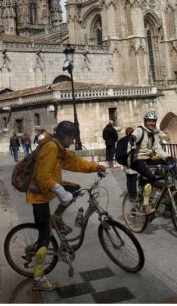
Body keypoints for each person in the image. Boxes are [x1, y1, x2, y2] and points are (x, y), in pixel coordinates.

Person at [27, 120, 106, 292]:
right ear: (64, 136)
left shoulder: (60, 149)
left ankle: (56, 218)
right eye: (71, 138)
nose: (72, 142)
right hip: (38, 196)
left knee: (76, 190)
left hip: (47, 190)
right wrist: (61, 192)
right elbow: (43, 177)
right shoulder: (51, 148)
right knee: (44, 237)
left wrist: (96, 166)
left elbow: (76, 162)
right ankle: (38, 277)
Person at [129, 111, 177, 214]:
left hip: (148, 158)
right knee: (150, 177)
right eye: (149, 121)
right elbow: (134, 137)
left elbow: (158, 149)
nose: (152, 123)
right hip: (137, 159)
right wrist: (133, 140)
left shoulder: (154, 134)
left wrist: (167, 157)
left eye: (153, 121)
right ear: (145, 121)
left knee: (171, 163)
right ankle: (146, 205)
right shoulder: (140, 131)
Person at [121, 127, 138, 196]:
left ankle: (130, 193)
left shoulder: (123, 140)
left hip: (126, 163)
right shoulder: (134, 141)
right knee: (133, 179)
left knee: (128, 178)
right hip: (132, 162)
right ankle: (133, 194)